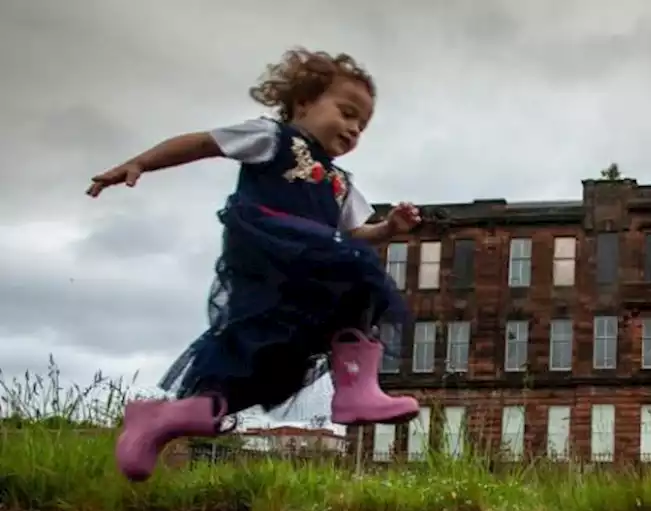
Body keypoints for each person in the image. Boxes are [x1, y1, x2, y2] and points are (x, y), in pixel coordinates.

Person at [86, 48, 422, 482]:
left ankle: (162, 421)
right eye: (346, 112)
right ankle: (355, 392)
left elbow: (357, 233)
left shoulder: (340, 183)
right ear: (303, 102)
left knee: (264, 370)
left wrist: (389, 228)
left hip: (301, 279)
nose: (354, 129)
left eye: (362, 125)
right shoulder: (273, 138)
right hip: (268, 251)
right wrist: (140, 163)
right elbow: (202, 143)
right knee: (358, 270)